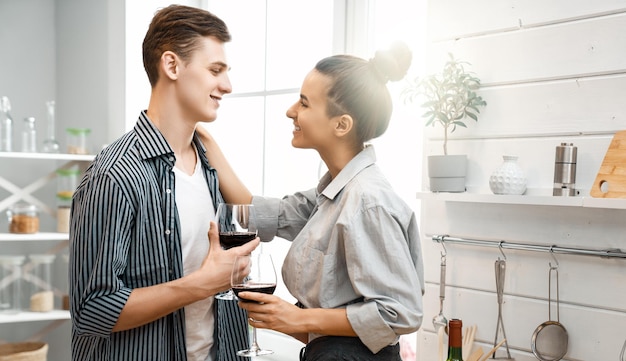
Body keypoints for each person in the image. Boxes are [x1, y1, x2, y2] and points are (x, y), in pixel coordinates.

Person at [200, 43, 425, 360]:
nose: (290, 111)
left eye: (304, 104)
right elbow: (258, 211)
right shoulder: (334, 192)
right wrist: (203, 138)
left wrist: (297, 317)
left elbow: (400, 313)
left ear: (341, 124)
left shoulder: (367, 201)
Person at [68, 5, 258, 361]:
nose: (227, 86)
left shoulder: (209, 168)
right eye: (215, 70)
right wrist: (202, 283)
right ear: (172, 65)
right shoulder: (115, 174)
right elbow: (91, 310)